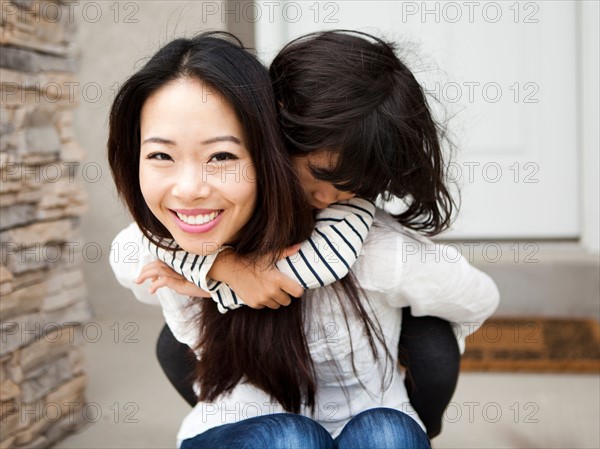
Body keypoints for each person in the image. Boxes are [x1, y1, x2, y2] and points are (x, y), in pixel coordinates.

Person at [108, 31, 472, 448]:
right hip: (247, 428)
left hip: (362, 416)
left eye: (222, 156)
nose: (191, 189)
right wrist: (224, 269)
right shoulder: (186, 233)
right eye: (160, 155)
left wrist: (418, 333)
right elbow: (131, 256)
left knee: (387, 432)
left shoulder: (372, 243)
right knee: (290, 438)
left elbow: (467, 301)